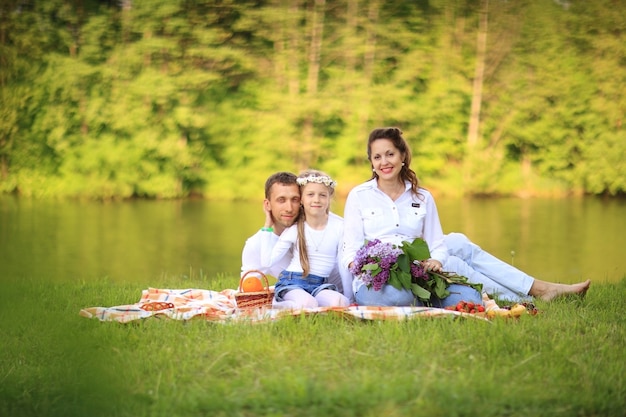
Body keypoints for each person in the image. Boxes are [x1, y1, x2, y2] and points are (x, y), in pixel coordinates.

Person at [341, 127, 590, 307]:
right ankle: (534, 293)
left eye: (390, 154)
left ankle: (536, 291)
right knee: (458, 256)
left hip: (418, 263)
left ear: (402, 156)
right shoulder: (359, 196)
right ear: (371, 162)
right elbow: (351, 249)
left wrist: (436, 260)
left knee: (456, 245)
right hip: (385, 269)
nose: (384, 162)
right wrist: (365, 267)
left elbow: (436, 243)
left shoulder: (423, 196)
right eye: (377, 157)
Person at [241, 172, 352, 307]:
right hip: (294, 287)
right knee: (306, 303)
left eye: (294, 199)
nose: (289, 208)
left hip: (323, 287)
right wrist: (267, 227)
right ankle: (279, 304)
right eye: (281, 200)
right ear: (268, 204)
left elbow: (346, 266)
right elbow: (247, 287)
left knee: (339, 302)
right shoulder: (257, 244)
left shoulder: (335, 226)